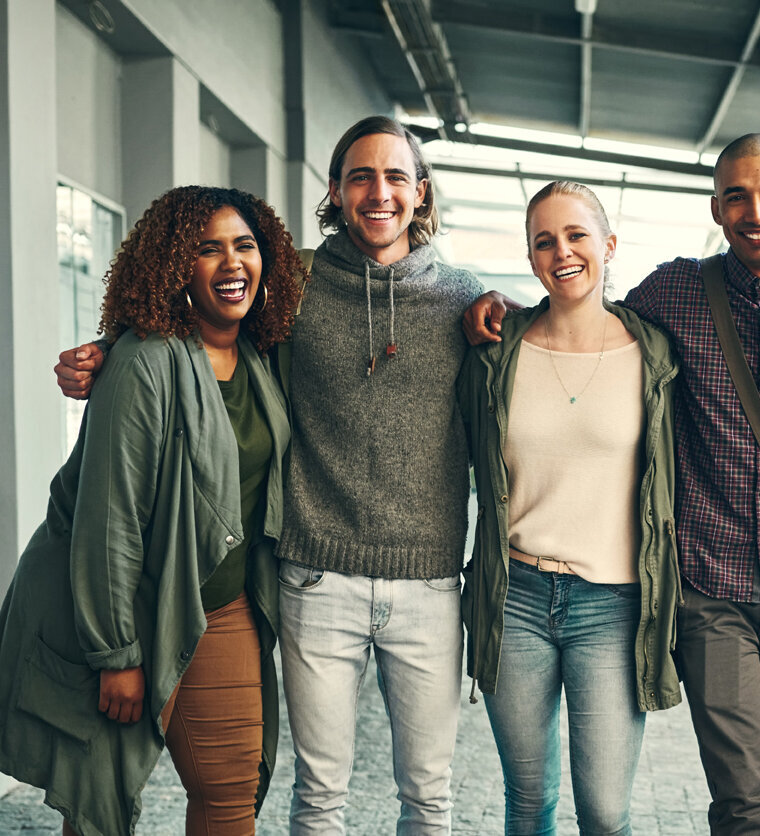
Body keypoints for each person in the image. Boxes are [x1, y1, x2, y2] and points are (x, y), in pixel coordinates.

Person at [53, 116, 510, 835]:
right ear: (335, 190)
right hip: (315, 579)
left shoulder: (464, 297)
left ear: (421, 194)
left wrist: (516, 314)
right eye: (361, 176)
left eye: (396, 177)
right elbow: (198, 315)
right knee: (319, 796)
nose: (379, 192)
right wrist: (108, 350)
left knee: (430, 797)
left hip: (427, 585)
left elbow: (531, 358)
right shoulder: (291, 283)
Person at [469, 133, 760, 835]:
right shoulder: (676, 292)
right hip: (710, 586)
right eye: (736, 195)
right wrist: (494, 306)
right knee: (742, 799)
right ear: (717, 207)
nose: (756, 211)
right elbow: (585, 315)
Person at [0, 186, 301, 835]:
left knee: (231, 792)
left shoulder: (261, 353)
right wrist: (117, 655)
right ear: (173, 265)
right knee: (101, 807)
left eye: (245, 246)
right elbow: (108, 522)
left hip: (221, 606)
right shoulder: (141, 362)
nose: (232, 264)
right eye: (207, 248)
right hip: (126, 613)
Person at [456, 181, 681, 834]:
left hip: (612, 607)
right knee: (528, 801)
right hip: (515, 595)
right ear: (531, 258)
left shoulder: (655, 356)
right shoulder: (498, 349)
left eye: (577, 235)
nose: (562, 252)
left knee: (606, 813)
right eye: (544, 241)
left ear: (609, 245)